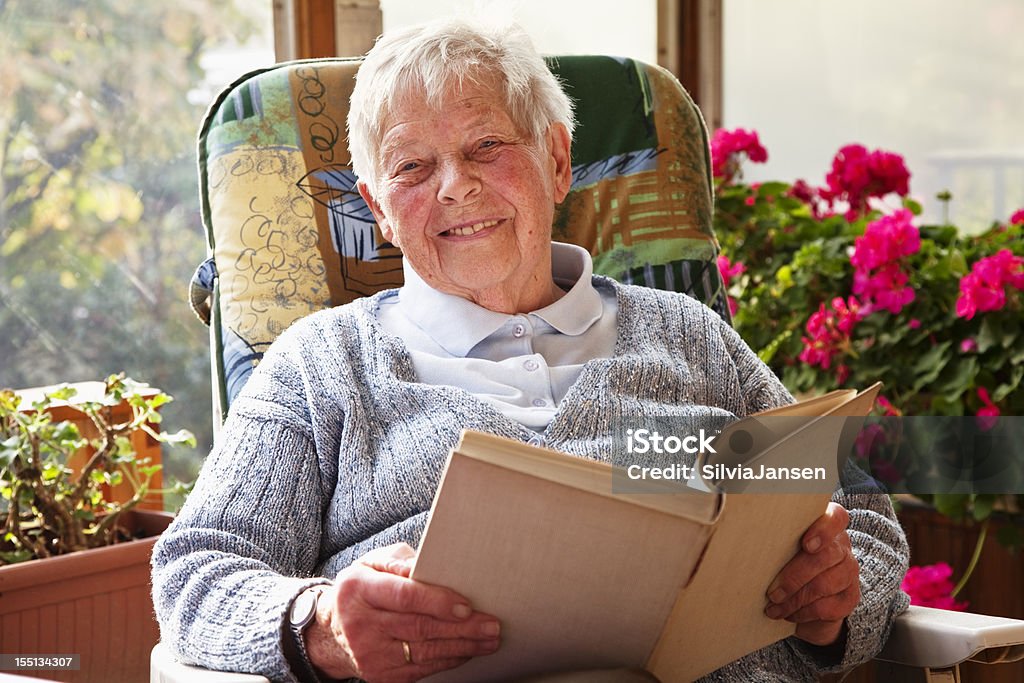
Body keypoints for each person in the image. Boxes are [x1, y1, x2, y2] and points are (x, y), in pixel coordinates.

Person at [151, 17, 909, 683]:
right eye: (412, 166)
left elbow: (862, 514)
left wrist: (836, 600)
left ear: (555, 160)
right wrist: (321, 624)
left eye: (486, 146)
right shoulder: (323, 362)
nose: (455, 186)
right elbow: (195, 570)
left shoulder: (689, 333)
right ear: (378, 206)